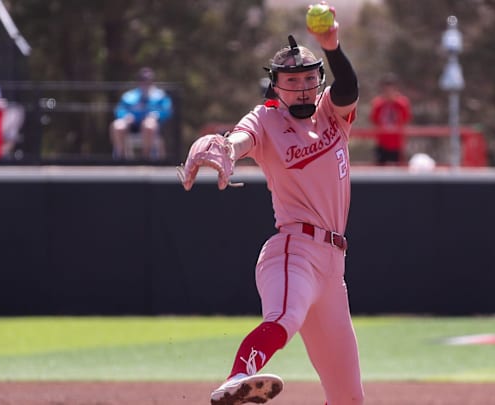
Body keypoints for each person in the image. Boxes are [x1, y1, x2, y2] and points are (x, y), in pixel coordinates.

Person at [178, 4, 364, 404]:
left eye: (308, 79)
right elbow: (238, 140)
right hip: (293, 251)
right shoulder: (266, 120)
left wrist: (332, 46)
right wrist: (225, 148)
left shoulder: (332, 113)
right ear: (275, 86)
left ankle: (241, 381)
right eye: (291, 80)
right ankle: (237, 379)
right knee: (284, 318)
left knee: (349, 397)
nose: (300, 87)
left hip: (334, 269)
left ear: (319, 82)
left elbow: (348, 87)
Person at [110, 67, 173, 160]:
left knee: (149, 125)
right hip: (132, 126)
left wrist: (157, 115)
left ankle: (146, 158)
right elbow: (119, 110)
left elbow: (167, 111)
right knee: (117, 125)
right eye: (142, 80)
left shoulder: (160, 96)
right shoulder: (129, 96)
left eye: (148, 80)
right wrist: (125, 116)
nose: (145, 83)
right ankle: (121, 156)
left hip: (151, 127)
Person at [368, 72, 411, 165]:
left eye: (391, 90)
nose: (389, 92)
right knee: (379, 169)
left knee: (399, 171)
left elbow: (406, 118)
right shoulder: (378, 103)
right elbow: (374, 119)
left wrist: (395, 102)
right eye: (386, 90)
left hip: (397, 144)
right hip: (382, 143)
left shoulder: (402, 103)